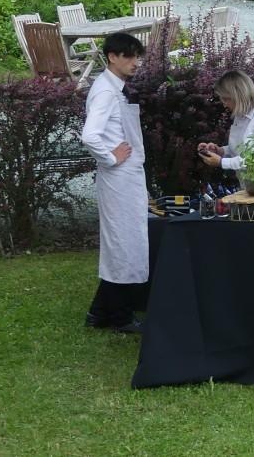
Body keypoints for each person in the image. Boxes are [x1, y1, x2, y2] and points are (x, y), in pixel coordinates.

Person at [80, 32, 148, 334]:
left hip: (126, 177)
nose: (136, 62)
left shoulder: (113, 87)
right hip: (118, 178)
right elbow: (90, 135)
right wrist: (111, 157)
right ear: (112, 57)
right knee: (123, 244)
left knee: (125, 244)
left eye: (138, 56)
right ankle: (119, 316)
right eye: (130, 56)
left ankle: (100, 312)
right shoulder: (106, 92)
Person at [196, 70, 254, 175]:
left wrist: (221, 162)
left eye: (226, 99)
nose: (224, 104)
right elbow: (240, 148)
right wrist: (220, 151)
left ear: (238, 96)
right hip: (250, 184)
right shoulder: (243, 112)